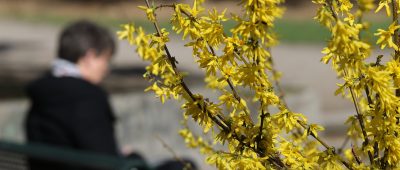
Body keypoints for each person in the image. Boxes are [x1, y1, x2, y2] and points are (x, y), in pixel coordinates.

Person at [25, 20, 196, 170]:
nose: (107, 68)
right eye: (105, 60)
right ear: (90, 56)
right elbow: (107, 162)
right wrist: (133, 157)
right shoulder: (88, 97)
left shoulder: (41, 92)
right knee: (184, 166)